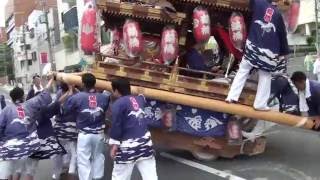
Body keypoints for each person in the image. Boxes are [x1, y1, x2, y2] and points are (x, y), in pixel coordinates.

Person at [225, 0, 289, 110]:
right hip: (268, 52)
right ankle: (260, 104)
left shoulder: (258, 3)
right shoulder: (278, 15)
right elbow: (282, 36)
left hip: (253, 46)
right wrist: (284, 52)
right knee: (265, 76)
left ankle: (231, 97)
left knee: (243, 70)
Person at [63, 73, 110, 180]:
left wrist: (71, 92)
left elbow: (65, 110)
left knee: (83, 161)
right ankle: (97, 178)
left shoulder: (76, 98)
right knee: (98, 157)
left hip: (84, 134)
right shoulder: (104, 97)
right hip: (99, 134)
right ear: (95, 83)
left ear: (83, 84)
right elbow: (106, 106)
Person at [109, 78, 158, 180]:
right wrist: (140, 93)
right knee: (150, 175)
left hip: (128, 146)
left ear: (116, 91)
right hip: (145, 143)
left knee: (120, 176)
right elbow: (142, 98)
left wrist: (114, 145)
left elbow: (116, 125)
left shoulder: (118, 104)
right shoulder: (139, 100)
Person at [0, 87, 41, 180]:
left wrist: (2, 142)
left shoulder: (6, 110)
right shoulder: (28, 107)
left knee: (8, 171)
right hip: (27, 145)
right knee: (27, 171)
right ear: (22, 96)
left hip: (10, 146)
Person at [52, 82, 78, 180]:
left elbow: (56, 104)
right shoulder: (75, 95)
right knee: (73, 152)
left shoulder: (59, 93)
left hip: (59, 128)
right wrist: (72, 90)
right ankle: (69, 172)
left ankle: (58, 173)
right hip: (71, 128)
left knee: (60, 151)